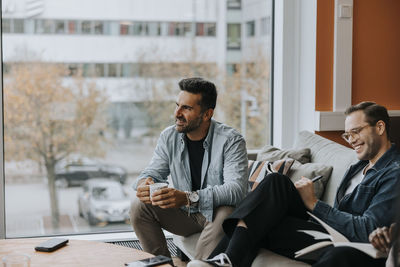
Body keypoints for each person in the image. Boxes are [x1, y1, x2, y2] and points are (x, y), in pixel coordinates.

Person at [188, 101, 400, 267]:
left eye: (356, 131)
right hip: (329, 230)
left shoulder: (393, 173)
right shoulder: (357, 166)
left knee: (260, 223)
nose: (351, 139)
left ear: (380, 127)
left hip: (350, 243)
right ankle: (225, 260)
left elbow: (368, 229)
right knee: (275, 184)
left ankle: (221, 261)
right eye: (347, 134)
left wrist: (315, 204)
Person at [130, 77, 248, 259]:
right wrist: (143, 183)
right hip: (186, 215)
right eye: (177, 105)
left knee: (228, 211)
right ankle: (162, 264)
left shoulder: (231, 140)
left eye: (186, 108)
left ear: (207, 114)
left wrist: (188, 198)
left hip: (215, 215)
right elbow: (153, 172)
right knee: (139, 206)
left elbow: (236, 190)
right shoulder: (169, 137)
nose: (177, 113)